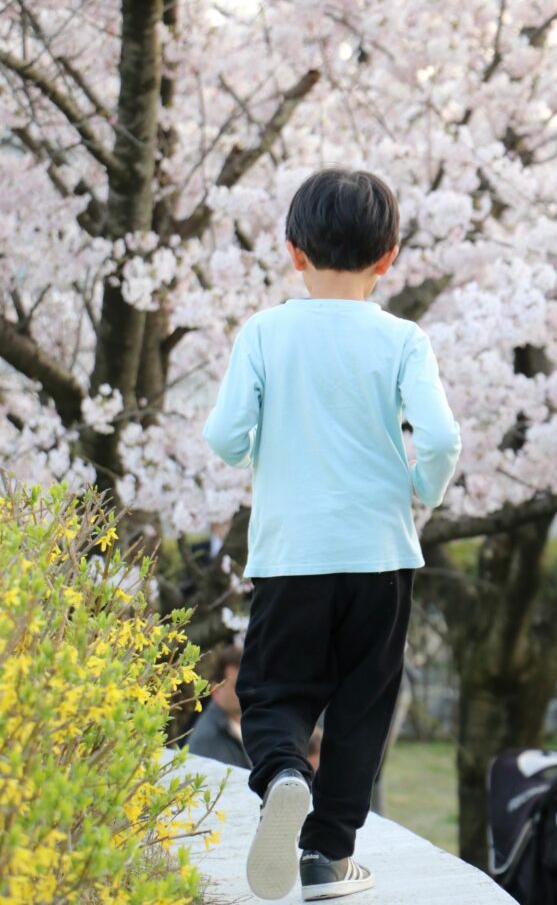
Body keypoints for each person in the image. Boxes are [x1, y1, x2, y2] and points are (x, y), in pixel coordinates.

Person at [202, 167, 462, 901]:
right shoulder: (402, 338)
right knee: (361, 703)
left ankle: (284, 770)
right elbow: (440, 436)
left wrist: (257, 455)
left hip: (291, 552)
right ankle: (328, 858)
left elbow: (223, 434)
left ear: (293, 252)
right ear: (389, 256)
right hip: (379, 552)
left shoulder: (264, 331)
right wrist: (421, 490)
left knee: (275, 687)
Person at [185, 645, 252, 769]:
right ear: (215, 690)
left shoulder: (253, 721)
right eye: (236, 685)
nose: (245, 691)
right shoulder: (206, 739)